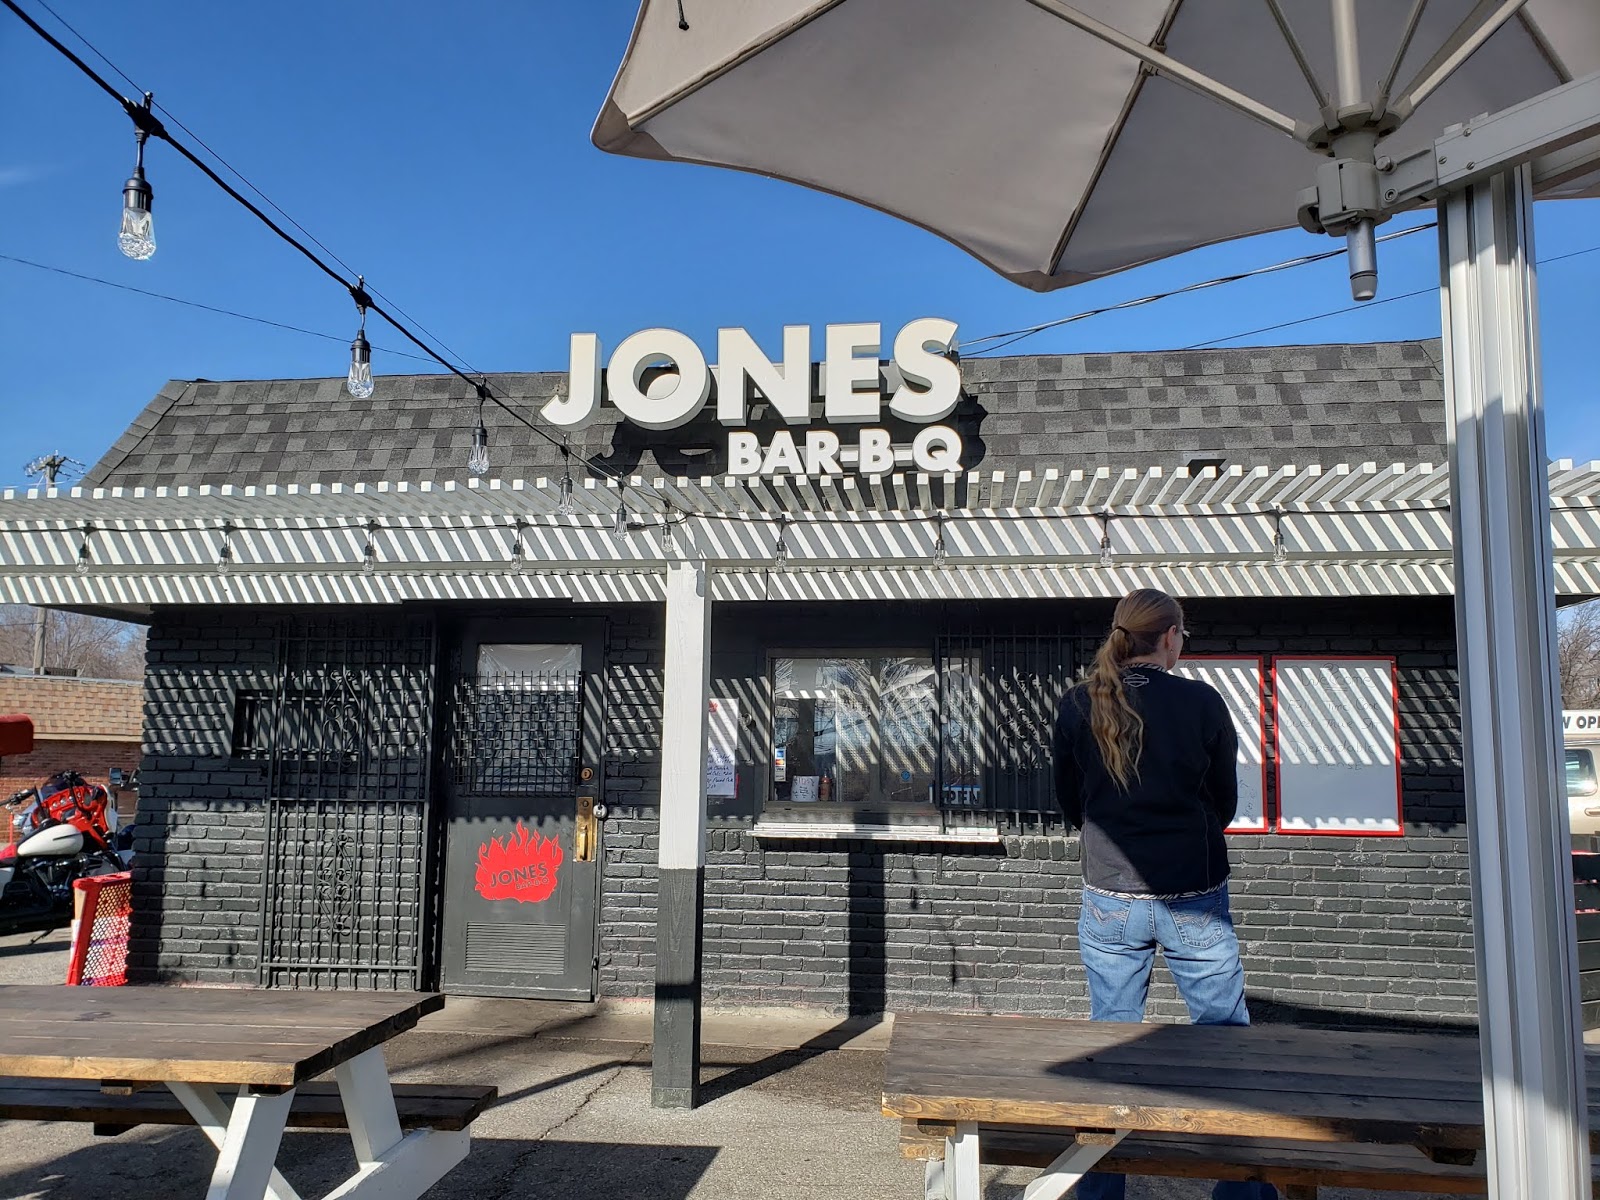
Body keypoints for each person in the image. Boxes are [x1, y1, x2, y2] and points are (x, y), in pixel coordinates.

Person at [1052, 588, 1276, 1200]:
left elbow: (1072, 802)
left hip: (1108, 893)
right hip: (1193, 891)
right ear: (1171, 636)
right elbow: (1222, 802)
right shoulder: (1202, 702)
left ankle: (1100, 1193)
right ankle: (1241, 1194)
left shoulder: (1077, 703)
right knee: (1224, 1042)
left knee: (1111, 1043)